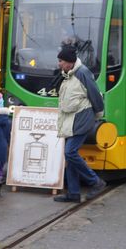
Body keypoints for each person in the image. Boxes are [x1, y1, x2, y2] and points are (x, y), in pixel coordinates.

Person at [53, 45, 106, 203]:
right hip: (71, 120)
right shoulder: (68, 74)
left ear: (69, 62)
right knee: (70, 156)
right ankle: (74, 193)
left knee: (70, 152)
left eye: (61, 61)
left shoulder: (82, 73)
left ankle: (96, 182)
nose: (59, 64)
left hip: (81, 119)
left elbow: (95, 94)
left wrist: (98, 114)